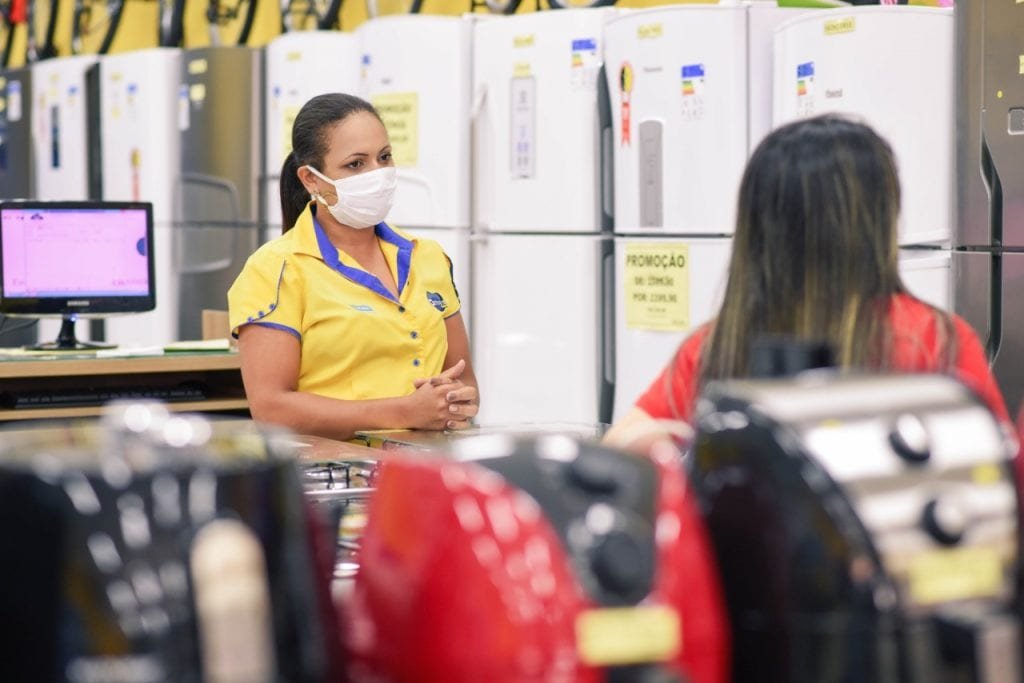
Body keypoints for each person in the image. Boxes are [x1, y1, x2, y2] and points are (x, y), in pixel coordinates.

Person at [604, 114, 1009, 447]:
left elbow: (621, 449)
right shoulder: (933, 340)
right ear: (878, 221)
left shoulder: (718, 345)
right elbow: (1001, 482)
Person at [228, 93, 478, 441]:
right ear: (311, 179)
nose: (378, 173)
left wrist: (456, 401)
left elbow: (463, 379)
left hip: (427, 465)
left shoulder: (429, 256)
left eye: (384, 157)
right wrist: (404, 411)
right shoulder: (276, 268)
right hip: (335, 474)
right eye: (356, 164)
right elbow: (271, 408)